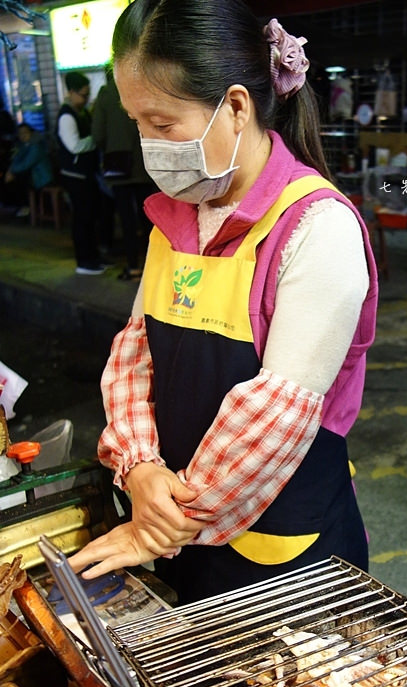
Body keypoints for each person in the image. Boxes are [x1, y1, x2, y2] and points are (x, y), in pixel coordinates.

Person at [69, 0, 378, 605]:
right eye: (137, 125)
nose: (149, 146)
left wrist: (162, 524)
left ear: (236, 107)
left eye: (163, 125)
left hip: (282, 554)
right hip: (174, 531)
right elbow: (134, 358)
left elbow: (276, 416)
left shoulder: (317, 227)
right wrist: (139, 468)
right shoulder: (173, 223)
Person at [91, 65, 156, 281]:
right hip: (145, 162)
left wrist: (109, 145)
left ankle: (133, 266)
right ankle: (154, 268)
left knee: (126, 219)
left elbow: (97, 133)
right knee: (150, 217)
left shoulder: (106, 94)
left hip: (119, 165)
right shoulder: (143, 87)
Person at [56, 71, 108, 275]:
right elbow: (74, 146)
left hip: (86, 175)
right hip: (75, 176)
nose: (86, 99)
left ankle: (94, 257)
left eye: (87, 95)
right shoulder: (66, 116)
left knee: (91, 216)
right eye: (83, 95)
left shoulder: (80, 112)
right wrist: (96, 138)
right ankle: (84, 261)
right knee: (82, 218)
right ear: (71, 92)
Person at [4, 123, 54, 216]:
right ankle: (24, 207)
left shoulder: (36, 146)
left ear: (31, 133)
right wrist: (10, 170)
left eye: (25, 133)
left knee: (19, 180)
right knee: (14, 180)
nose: (23, 136)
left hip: (41, 178)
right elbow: (16, 159)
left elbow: (26, 164)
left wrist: (11, 171)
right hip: (32, 175)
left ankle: (27, 207)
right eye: (20, 133)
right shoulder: (23, 145)